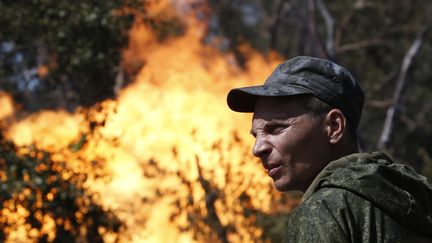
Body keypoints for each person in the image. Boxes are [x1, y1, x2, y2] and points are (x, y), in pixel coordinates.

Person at [226, 56, 432, 242]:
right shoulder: (411, 197)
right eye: (256, 135)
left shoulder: (323, 211)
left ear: (334, 126)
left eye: (276, 128)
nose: (257, 148)